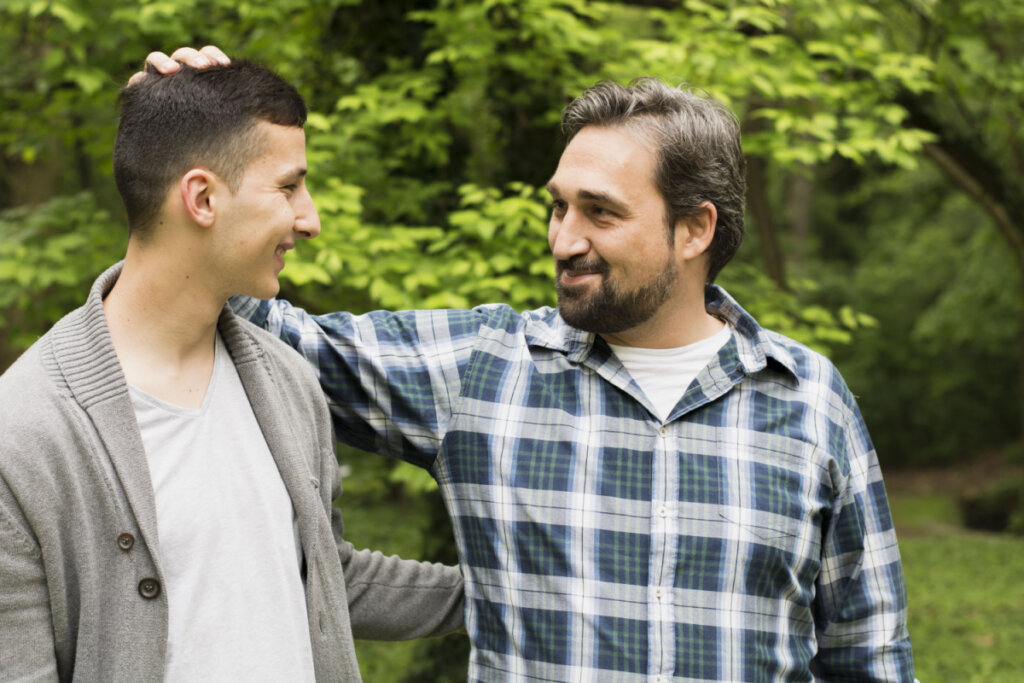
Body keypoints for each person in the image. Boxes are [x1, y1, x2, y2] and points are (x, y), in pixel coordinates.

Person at [146, 48, 916, 682]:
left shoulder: (809, 402)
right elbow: (257, 322)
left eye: (600, 212)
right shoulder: (484, 371)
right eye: (559, 206)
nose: (563, 239)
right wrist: (177, 148)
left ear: (694, 229)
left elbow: (870, 658)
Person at [0, 59, 464, 681]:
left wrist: (508, 588)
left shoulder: (287, 381)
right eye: (289, 187)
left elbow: (324, 572)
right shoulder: (24, 434)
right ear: (202, 197)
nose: (310, 219)